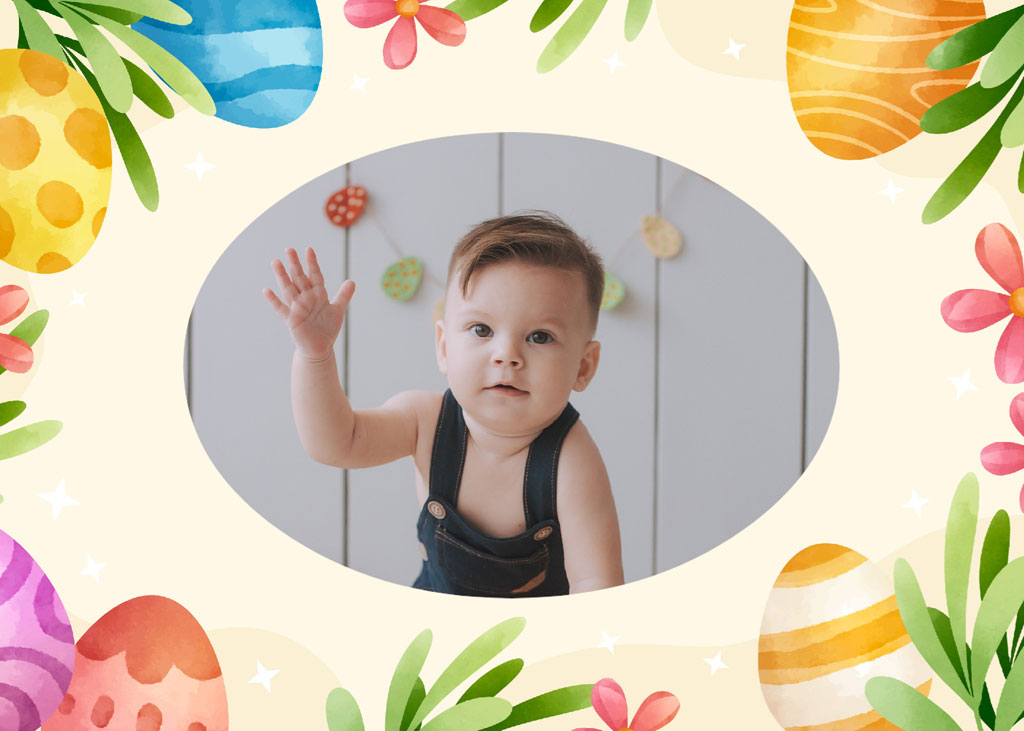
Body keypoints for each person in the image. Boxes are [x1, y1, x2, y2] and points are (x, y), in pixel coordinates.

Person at [263, 212, 624, 596]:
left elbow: (596, 583)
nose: (506, 355)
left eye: (539, 336)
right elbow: (337, 442)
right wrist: (315, 355)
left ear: (583, 367)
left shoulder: (570, 459)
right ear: (444, 347)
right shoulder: (425, 421)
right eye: (482, 330)